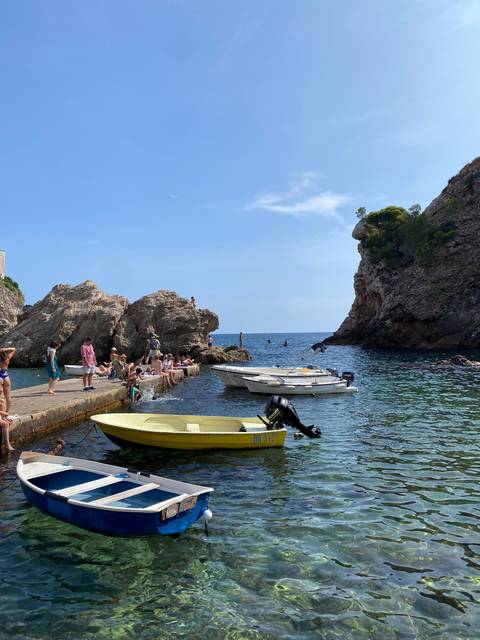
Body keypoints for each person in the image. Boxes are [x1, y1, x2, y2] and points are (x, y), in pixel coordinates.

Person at [0, 346, 15, 414]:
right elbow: (13, 349)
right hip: (6, 376)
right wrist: (5, 350)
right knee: (8, 397)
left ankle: (3, 414)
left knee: (1, 398)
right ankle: (7, 412)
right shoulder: (7, 357)